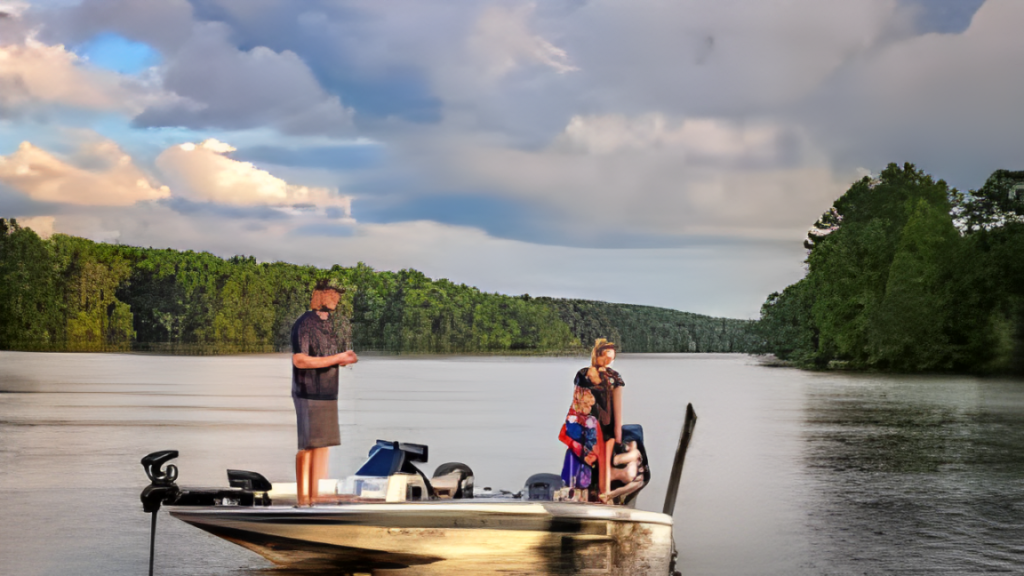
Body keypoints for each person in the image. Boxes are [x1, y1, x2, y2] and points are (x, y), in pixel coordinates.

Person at [291, 279, 358, 506]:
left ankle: (317, 493)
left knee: (323, 444)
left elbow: (330, 357)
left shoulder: (330, 325)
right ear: (318, 295)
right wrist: (339, 358)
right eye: (331, 294)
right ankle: (304, 499)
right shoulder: (304, 323)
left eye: (338, 296)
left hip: (329, 392)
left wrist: (343, 359)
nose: (336, 299)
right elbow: (300, 360)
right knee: (308, 444)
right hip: (308, 391)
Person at [558, 338, 643, 503]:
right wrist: (574, 423)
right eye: (606, 356)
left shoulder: (606, 376)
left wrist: (617, 432)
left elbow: (614, 406)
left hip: (598, 425)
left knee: (596, 461)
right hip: (591, 424)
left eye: (612, 357)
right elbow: (579, 400)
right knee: (587, 460)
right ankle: (588, 494)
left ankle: (599, 495)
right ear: (597, 355)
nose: (609, 361)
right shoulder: (589, 375)